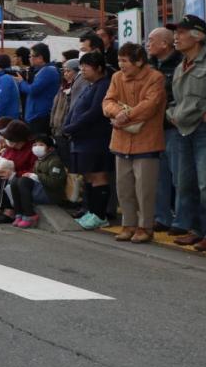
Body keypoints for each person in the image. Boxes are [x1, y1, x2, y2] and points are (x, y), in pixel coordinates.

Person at [101, 42, 165, 244]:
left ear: (139, 61)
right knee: (124, 187)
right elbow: (107, 102)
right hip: (121, 141)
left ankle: (145, 227)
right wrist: (116, 112)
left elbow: (151, 105)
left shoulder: (156, 78)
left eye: (125, 60)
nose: (121, 65)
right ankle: (128, 224)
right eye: (119, 60)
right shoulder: (116, 77)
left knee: (144, 189)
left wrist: (125, 115)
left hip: (147, 141)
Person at [165, 15, 206, 251]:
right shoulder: (179, 67)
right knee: (186, 182)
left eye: (181, 32)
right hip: (183, 129)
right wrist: (171, 114)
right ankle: (195, 229)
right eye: (176, 32)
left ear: (198, 36)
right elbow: (175, 99)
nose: (176, 37)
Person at [63, 51, 113, 230]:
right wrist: (68, 124)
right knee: (89, 176)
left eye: (87, 66)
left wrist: (71, 127)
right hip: (82, 139)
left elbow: (94, 112)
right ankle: (91, 211)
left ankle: (100, 215)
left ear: (99, 68)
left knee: (98, 175)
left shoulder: (104, 85)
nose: (82, 69)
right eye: (81, 66)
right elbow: (76, 108)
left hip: (96, 139)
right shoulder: (90, 85)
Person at [146, 27, 183, 235]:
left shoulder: (180, 63)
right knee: (159, 176)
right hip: (153, 128)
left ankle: (182, 218)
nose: (147, 43)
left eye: (151, 40)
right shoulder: (149, 65)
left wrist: (170, 113)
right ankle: (162, 217)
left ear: (165, 44)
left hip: (174, 126)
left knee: (179, 176)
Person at [0, 120, 36, 224]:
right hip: (7, 172)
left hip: (20, 176)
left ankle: (9, 211)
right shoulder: (10, 148)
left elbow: (33, 169)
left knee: (3, 180)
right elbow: (2, 158)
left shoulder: (31, 150)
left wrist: (14, 174)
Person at [8, 134, 67, 229]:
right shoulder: (39, 161)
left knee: (23, 182)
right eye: (35, 145)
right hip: (42, 190)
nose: (36, 147)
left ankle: (30, 215)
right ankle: (19, 213)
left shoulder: (55, 161)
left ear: (50, 149)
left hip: (50, 194)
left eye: (41, 145)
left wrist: (36, 176)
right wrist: (32, 176)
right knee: (15, 181)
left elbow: (54, 183)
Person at [18, 43, 60, 135]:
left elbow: (33, 90)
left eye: (31, 56)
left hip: (40, 116)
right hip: (35, 115)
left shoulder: (48, 71)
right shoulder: (42, 70)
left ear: (40, 57)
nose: (29, 58)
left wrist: (21, 82)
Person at [0, 54, 20, 121]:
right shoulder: (6, 77)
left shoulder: (5, 78)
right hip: (7, 118)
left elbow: (3, 101)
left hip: (5, 119)